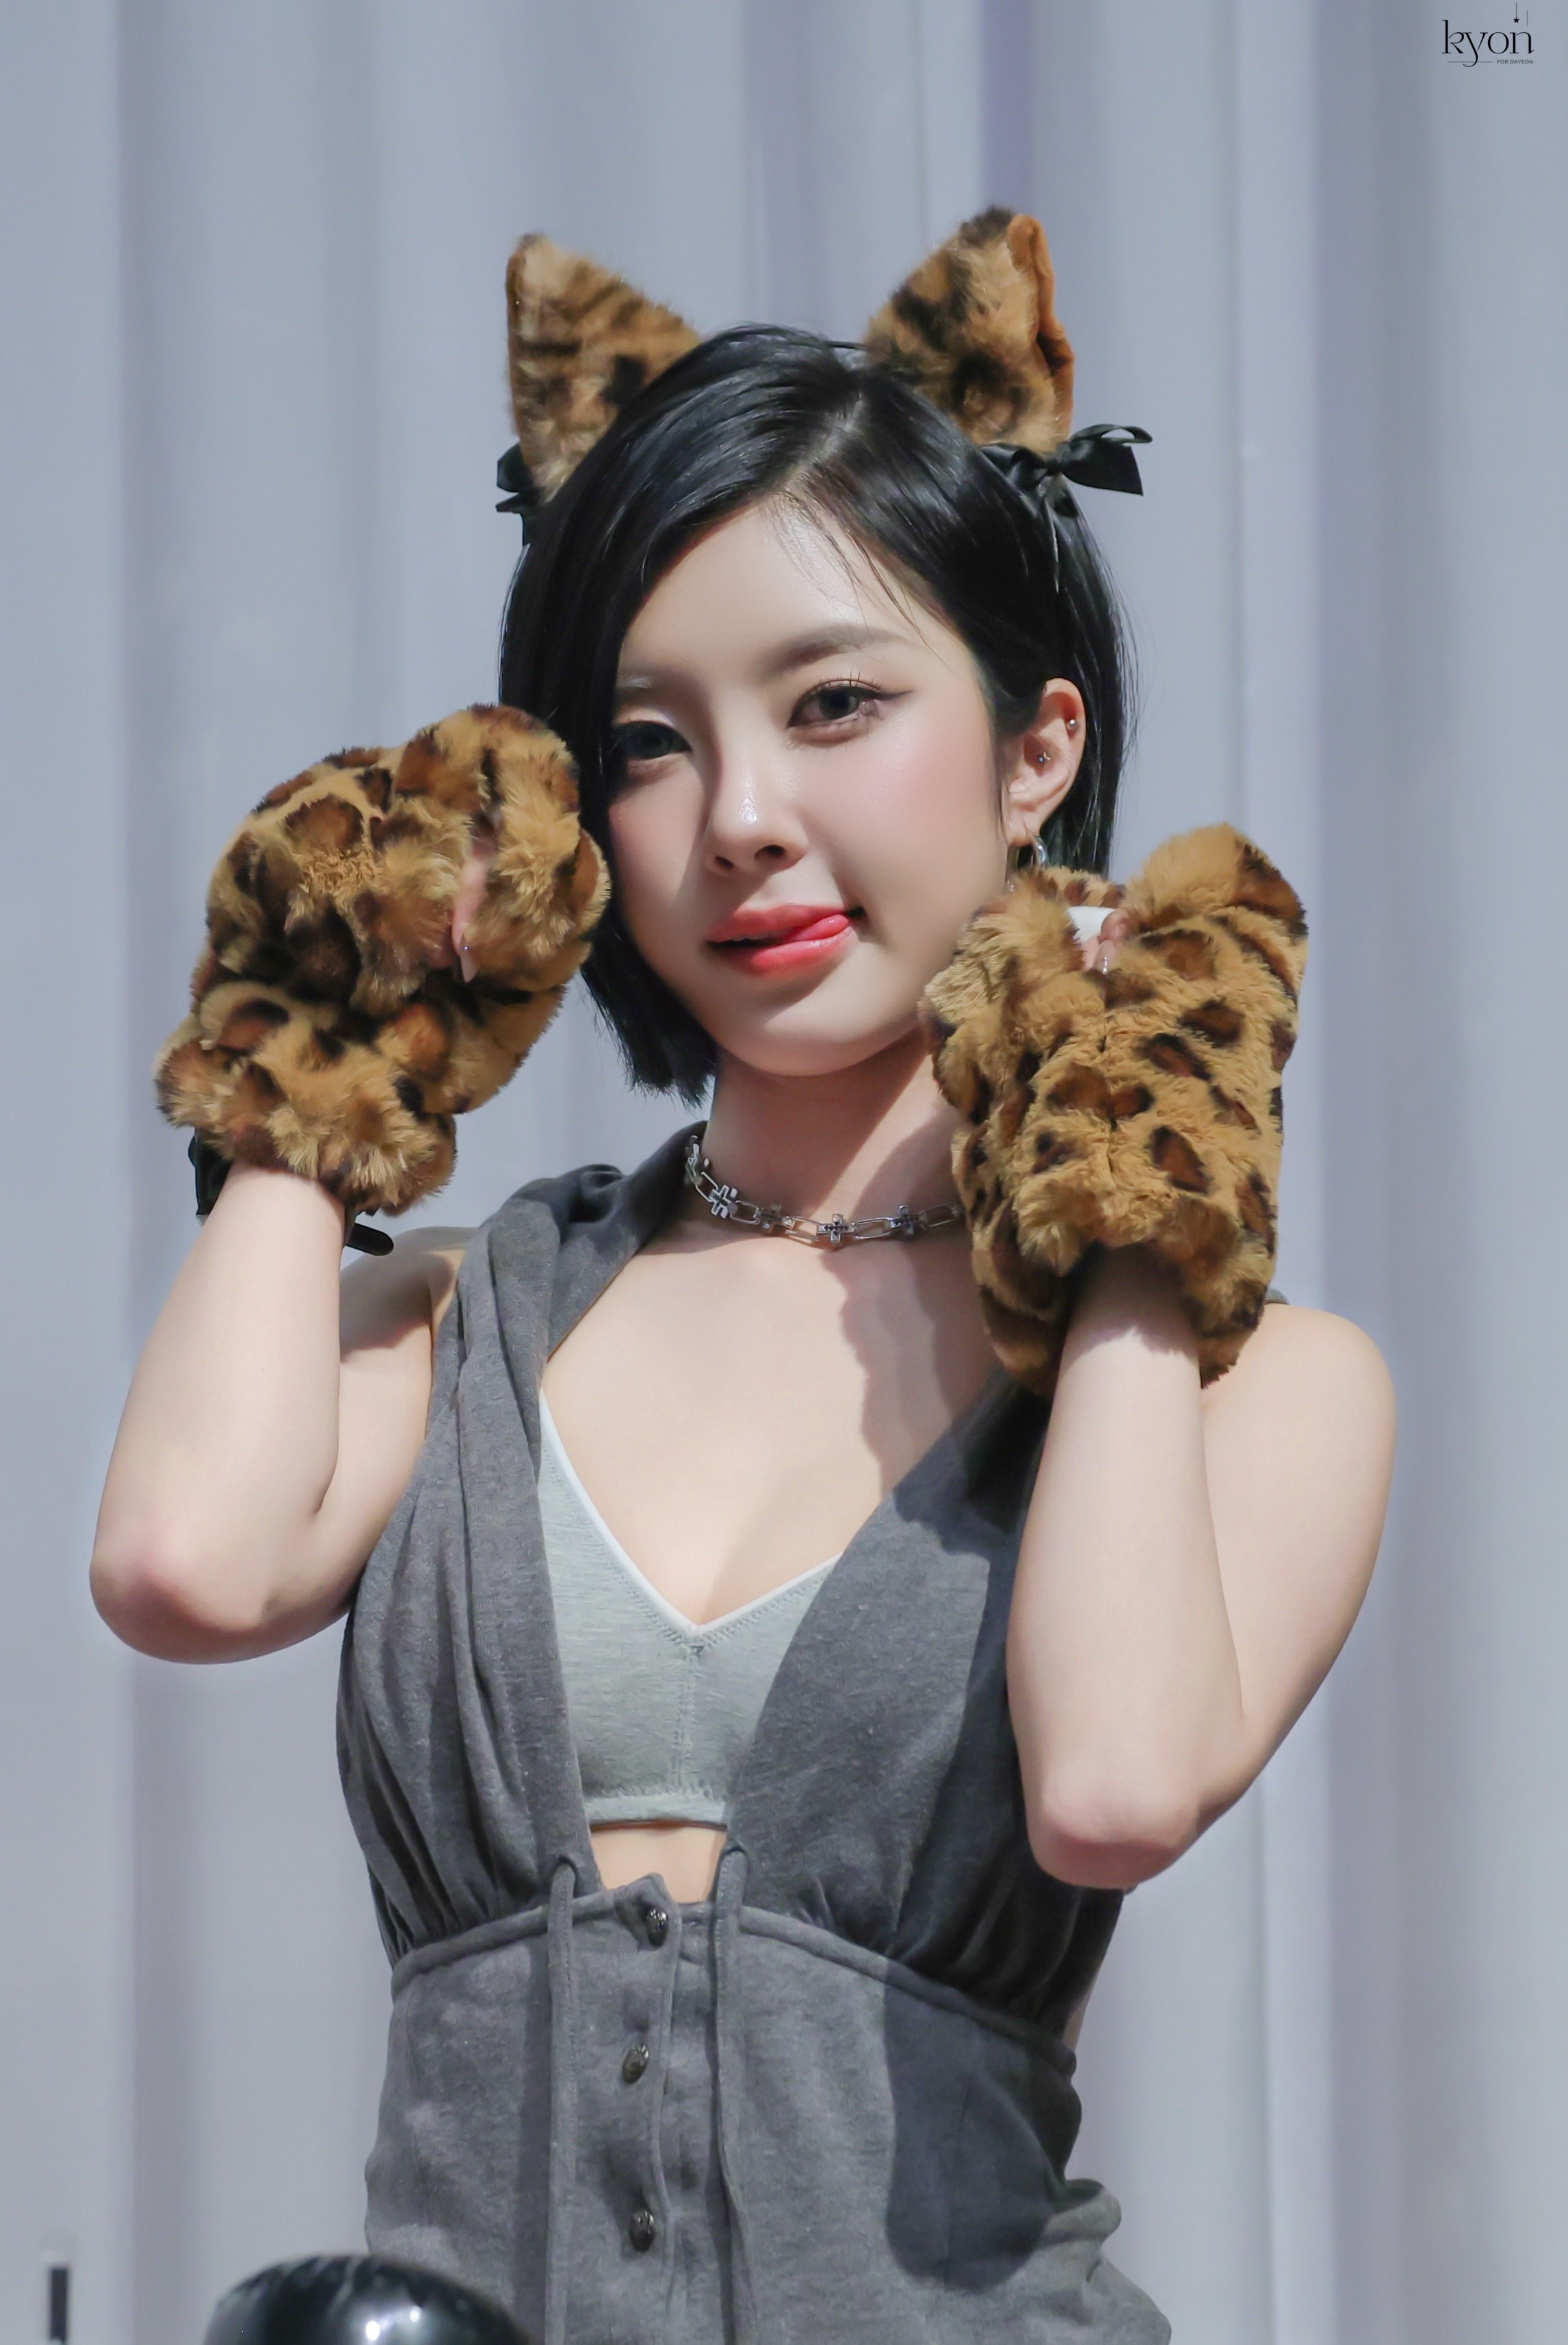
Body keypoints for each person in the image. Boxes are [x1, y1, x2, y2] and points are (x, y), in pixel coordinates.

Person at [92, 211, 1394, 2344]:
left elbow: (1110, 1787)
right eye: (647, 740)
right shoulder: (462, 1312)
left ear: (1038, 749)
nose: (741, 819)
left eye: (835, 704)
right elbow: (179, 1570)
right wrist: (323, 1053)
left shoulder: (1264, 1382)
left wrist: (1129, 1191)